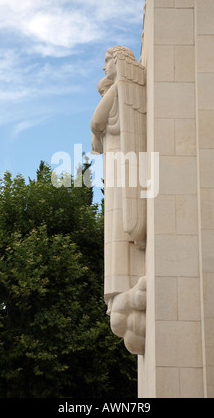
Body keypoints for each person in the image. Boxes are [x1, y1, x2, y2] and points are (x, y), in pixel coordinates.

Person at [91, 46, 147, 355]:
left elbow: (96, 122)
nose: (103, 69)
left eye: (107, 62)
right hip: (115, 171)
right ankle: (120, 294)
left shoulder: (119, 89)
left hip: (121, 170)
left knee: (118, 228)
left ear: (119, 62)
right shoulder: (115, 91)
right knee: (113, 230)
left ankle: (122, 291)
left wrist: (105, 94)